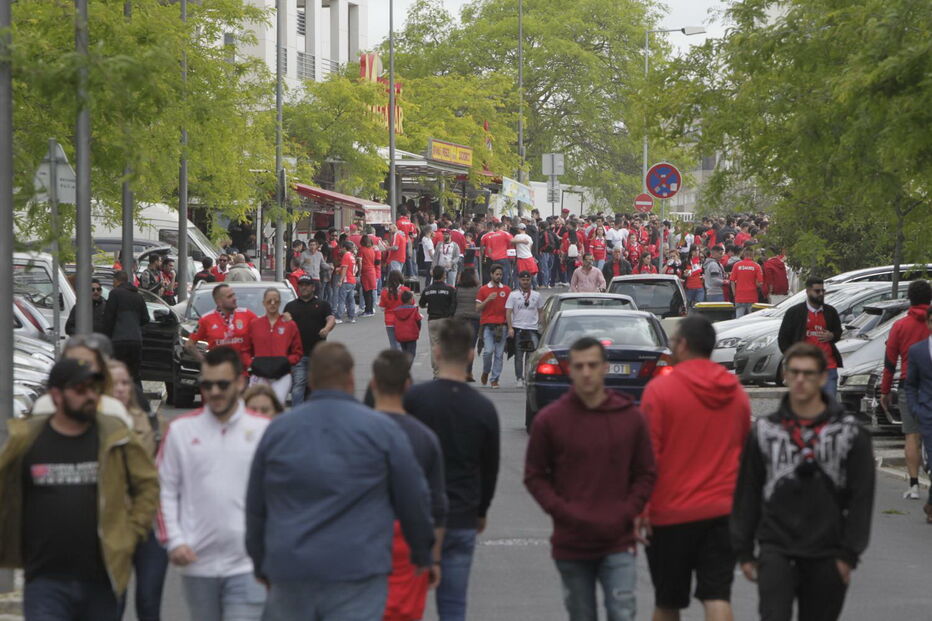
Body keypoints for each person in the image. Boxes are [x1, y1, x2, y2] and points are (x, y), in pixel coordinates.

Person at [245, 342, 435, 621]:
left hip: (291, 569)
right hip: (356, 570)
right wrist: (422, 552)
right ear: (350, 377)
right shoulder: (382, 432)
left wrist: (260, 560)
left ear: (310, 379)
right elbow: (413, 499)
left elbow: (256, 505)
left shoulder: (278, 431)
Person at [0, 357, 158, 621]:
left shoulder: (113, 434)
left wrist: (131, 532)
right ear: (56, 396)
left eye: (94, 388)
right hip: (45, 578)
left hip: (99, 578)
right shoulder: (27, 439)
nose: (90, 396)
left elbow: (147, 483)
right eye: (80, 389)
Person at [731, 342, 875, 621]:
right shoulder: (765, 431)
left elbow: (862, 497)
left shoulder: (850, 434)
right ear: (785, 375)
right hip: (776, 547)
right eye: (794, 372)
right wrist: (744, 550)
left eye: (808, 373)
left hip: (827, 549)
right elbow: (748, 490)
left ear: (822, 377)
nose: (800, 379)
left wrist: (848, 554)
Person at [524, 337, 656, 621]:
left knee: (623, 611)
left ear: (604, 368)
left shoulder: (630, 417)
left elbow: (646, 472)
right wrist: (562, 511)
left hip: (618, 539)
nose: (586, 372)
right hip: (572, 541)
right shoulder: (550, 421)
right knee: (581, 614)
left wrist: (627, 510)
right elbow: (535, 475)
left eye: (593, 365)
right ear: (570, 370)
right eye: (579, 366)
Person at [639, 317, 751, 621]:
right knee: (717, 597)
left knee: (667, 601)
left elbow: (647, 456)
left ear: (683, 345)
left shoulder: (660, 391)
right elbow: (742, 451)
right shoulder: (736, 393)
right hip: (722, 511)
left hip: (670, 512)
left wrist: (640, 508)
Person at [158, 346, 271, 621]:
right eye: (207, 385)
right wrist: (174, 541)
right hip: (198, 565)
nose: (214, 391)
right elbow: (164, 490)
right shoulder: (181, 431)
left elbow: (281, 495)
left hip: (248, 566)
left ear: (240, 382)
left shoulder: (264, 431)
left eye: (222, 384)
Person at [404, 319, 500, 621]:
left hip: (417, 516)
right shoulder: (483, 409)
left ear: (436, 351)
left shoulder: (415, 400)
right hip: (461, 514)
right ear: (471, 354)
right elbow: (490, 467)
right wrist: (481, 509)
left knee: (405, 604)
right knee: (454, 604)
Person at [371, 350, 447, 621]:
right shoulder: (424, 438)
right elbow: (437, 504)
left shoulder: (354, 433)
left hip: (361, 544)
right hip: (409, 548)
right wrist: (434, 558)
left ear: (373, 384)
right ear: (407, 386)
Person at [109, 359, 169, 621]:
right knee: (114, 603)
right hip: (111, 527)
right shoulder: (90, 425)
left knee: (148, 601)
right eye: (113, 384)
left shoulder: (149, 422)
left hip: (149, 524)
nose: (121, 389)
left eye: (125, 383)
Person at [880, 279, 931, 500]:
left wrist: (884, 390)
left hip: (908, 384)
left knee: (911, 435)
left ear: (909, 298)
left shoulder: (900, 326)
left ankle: (914, 485)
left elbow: (890, 360)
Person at [777, 277, 843, 399]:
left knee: (828, 406)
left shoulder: (830, 311)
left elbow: (838, 332)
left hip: (828, 367)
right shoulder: (795, 312)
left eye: (823, 291)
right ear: (808, 291)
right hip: (804, 369)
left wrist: (832, 335)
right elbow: (783, 340)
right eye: (817, 291)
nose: (821, 294)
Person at [282, 276, 335, 407]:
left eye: (306, 285)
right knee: (298, 386)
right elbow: (282, 326)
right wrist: (285, 321)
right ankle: (297, 415)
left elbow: (331, 319)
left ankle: (317, 411)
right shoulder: (291, 306)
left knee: (317, 386)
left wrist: (326, 328)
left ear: (313, 287)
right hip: (298, 354)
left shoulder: (323, 305)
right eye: (301, 285)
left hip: (318, 355)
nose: (303, 287)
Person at [245, 288, 303, 406]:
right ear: (263, 303)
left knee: (277, 405)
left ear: (280, 303)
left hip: (282, 375)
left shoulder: (289, 325)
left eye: (276, 301)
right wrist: (251, 364)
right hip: (259, 375)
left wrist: (286, 361)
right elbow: (245, 349)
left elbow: (298, 351)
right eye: (269, 301)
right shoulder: (255, 324)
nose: (272, 304)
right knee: (259, 406)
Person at [904, 307, 932, 522]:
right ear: (928, 323)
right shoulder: (918, 351)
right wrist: (915, 407)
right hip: (927, 413)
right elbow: (911, 384)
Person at [103, 270, 150, 386]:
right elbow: (146, 318)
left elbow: (108, 318)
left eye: (113, 282)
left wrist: (107, 338)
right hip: (136, 340)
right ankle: (137, 398)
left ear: (116, 281)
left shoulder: (115, 294)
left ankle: (120, 399)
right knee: (135, 374)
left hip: (119, 340)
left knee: (118, 373)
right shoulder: (138, 296)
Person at [506, 270, 544, 386]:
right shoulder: (513, 295)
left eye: (527, 280)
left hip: (532, 328)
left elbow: (541, 311)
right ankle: (519, 378)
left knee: (531, 355)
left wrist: (540, 324)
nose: (525, 282)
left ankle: (528, 377)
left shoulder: (536, 295)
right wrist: (510, 328)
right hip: (518, 328)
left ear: (530, 280)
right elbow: (508, 312)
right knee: (519, 355)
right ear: (519, 280)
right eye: (523, 280)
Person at [476, 264, 511, 388]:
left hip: (502, 327)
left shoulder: (506, 290)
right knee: (488, 352)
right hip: (487, 326)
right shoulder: (483, 290)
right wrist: (487, 300)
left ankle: (495, 379)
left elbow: (509, 310)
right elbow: (477, 308)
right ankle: (486, 371)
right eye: (497, 274)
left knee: (499, 354)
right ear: (491, 274)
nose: (499, 277)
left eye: (501, 274)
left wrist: (510, 327)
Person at [421, 264, 458, 377]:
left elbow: (421, 304)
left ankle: (437, 373)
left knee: (435, 347)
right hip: (446, 320)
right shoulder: (450, 289)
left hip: (432, 320)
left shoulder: (427, 289)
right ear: (443, 275)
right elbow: (454, 304)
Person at [380, 269, 412, 350]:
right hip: (402, 320)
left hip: (389, 321)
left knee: (393, 343)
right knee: (402, 342)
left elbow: (382, 308)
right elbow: (412, 305)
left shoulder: (384, 291)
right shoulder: (405, 290)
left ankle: (395, 360)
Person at [729, 247, 763, 317]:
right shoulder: (756, 266)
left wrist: (734, 293)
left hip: (739, 296)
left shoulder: (737, 265)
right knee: (751, 320)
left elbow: (732, 281)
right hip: (752, 296)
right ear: (753, 255)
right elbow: (760, 283)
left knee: (739, 319)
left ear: (743, 254)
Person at [334, 241, 359, 324]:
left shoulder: (346, 256)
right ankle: (352, 317)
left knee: (341, 299)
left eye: (342, 248)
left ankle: (338, 317)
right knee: (351, 299)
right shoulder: (352, 256)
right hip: (352, 280)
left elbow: (344, 269)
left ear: (344, 248)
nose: (340, 249)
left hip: (346, 280)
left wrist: (340, 280)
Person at [359, 234, 380, 316]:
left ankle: (367, 310)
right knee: (370, 292)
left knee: (366, 292)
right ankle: (370, 309)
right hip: (372, 271)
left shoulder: (362, 250)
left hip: (365, 272)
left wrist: (359, 272)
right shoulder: (371, 249)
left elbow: (360, 262)